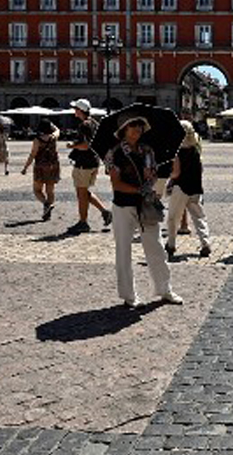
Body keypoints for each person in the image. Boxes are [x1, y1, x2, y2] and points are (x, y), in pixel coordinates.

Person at [106, 116, 183, 308]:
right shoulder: (114, 153)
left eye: (140, 127)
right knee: (123, 250)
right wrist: (139, 189)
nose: (137, 130)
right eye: (133, 126)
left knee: (155, 247)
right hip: (124, 205)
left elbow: (154, 172)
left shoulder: (147, 150)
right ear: (124, 128)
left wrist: (152, 178)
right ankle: (129, 295)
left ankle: (165, 289)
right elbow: (116, 184)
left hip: (146, 204)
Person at [166, 121, 212, 259]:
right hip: (196, 187)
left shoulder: (177, 151)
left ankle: (171, 245)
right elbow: (201, 169)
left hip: (181, 187)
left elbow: (176, 173)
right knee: (199, 217)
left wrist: (167, 177)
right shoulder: (196, 149)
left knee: (173, 218)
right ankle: (206, 243)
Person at [66, 99, 112, 233]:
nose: (74, 111)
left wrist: (72, 145)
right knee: (85, 192)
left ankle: (83, 222)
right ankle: (105, 212)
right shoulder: (95, 123)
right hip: (93, 162)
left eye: (76, 109)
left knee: (81, 194)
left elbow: (86, 146)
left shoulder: (84, 125)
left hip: (83, 163)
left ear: (80, 111)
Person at [22, 119, 61, 221]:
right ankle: (47, 212)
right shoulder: (54, 137)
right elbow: (57, 130)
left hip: (40, 167)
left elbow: (32, 155)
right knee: (50, 191)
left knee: (37, 190)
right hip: (53, 166)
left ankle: (46, 204)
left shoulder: (37, 140)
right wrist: (52, 125)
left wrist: (25, 167)